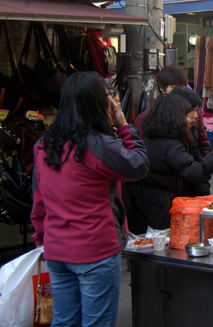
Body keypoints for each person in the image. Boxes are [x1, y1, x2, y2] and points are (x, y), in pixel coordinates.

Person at [30, 72, 150, 327]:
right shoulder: (97, 144)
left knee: (64, 321)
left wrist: (42, 238)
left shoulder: (44, 145)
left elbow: (39, 199)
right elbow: (138, 165)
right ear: (97, 104)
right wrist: (124, 125)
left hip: (57, 250)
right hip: (95, 252)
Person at [127, 93, 213, 233]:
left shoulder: (152, 140)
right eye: (186, 114)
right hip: (159, 211)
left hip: (147, 208)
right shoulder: (170, 145)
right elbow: (195, 172)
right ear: (174, 117)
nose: (192, 117)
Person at [134, 64, 210, 156]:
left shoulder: (194, 114)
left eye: (182, 87)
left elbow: (203, 145)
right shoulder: (147, 116)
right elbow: (140, 149)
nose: (178, 92)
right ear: (162, 88)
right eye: (174, 88)